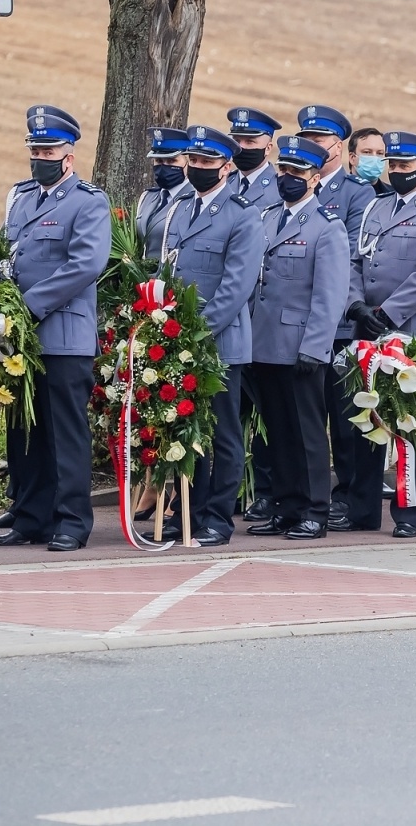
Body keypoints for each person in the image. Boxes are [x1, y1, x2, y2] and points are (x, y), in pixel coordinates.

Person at [0, 105, 110, 552]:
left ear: (68, 156)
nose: (38, 156)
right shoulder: (21, 198)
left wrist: (28, 304)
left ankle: (71, 521)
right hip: (16, 336)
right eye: (34, 149)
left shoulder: (87, 201)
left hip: (62, 335)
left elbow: (86, 265)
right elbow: (7, 255)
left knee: (64, 432)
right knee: (24, 430)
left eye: (47, 149)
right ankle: (30, 517)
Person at [338, 131, 416, 538]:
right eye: (393, 165)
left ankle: (410, 513)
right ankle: (362, 508)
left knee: (408, 423)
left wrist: (388, 312)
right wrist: (357, 304)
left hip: (408, 328)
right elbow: (356, 261)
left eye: (405, 166)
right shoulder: (377, 206)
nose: (397, 172)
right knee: (364, 415)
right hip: (367, 326)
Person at [245, 136, 350, 541]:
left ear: (313, 178)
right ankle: (286, 507)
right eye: (282, 171)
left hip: (301, 346)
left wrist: (315, 346)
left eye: (296, 173)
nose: (286, 178)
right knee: (278, 431)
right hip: (265, 343)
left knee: (306, 432)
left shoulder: (327, 229)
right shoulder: (268, 218)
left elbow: (329, 296)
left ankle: (315, 510)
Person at [162, 125, 264, 546]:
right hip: (177, 338)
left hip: (216, 342)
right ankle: (186, 510)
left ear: (225, 166)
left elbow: (236, 286)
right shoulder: (179, 207)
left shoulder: (242, 215)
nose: (199, 168)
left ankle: (218, 517)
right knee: (184, 428)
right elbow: (166, 268)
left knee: (222, 433)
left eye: (207, 162)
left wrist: (198, 332)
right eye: (194, 161)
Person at [294, 105, 377, 513]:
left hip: (340, 324)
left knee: (344, 421)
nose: (312, 146)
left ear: (338, 146)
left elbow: (352, 260)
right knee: (301, 417)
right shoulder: (291, 187)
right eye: (306, 139)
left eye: (319, 140)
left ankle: (346, 494)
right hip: (297, 322)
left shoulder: (358, 194)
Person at [137, 126, 194, 260]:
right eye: (159, 161)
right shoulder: (148, 197)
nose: (164, 166)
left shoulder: (194, 200)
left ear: (188, 162)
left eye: (172, 161)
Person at [227, 107, 282, 212]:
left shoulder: (279, 189)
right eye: (237, 140)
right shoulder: (224, 182)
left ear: (268, 148)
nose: (241, 147)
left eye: (249, 142)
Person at [348, 127, 391, 195]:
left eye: (380, 153)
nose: (374, 158)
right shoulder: (338, 193)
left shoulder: (392, 194)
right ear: (352, 158)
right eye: (367, 152)